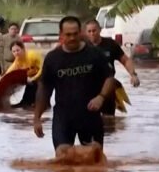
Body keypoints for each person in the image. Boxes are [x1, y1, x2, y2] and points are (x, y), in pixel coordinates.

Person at [33, 16, 117, 152]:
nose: (72, 38)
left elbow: (110, 78)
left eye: (75, 34)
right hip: (63, 117)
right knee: (62, 158)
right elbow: (44, 89)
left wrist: (101, 97)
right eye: (68, 34)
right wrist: (37, 117)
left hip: (90, 115)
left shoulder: (94, 54)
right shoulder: (52, 58)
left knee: (93, 161)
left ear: (81, 33)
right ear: (61, 35)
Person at [84, 19, 140, 116]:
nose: (92, 33)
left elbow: (125, 60)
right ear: (86, 32)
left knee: (109, 122)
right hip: (88, 90)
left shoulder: (110, 44)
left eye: (94, 30)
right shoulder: (83, 46)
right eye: (89, 31)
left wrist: (133, 74)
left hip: (108, 88)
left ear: (100, 30)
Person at [4, 40, 43, 108]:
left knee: (34, 83)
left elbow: (43, 69)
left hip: (45, 74)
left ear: (23, 49)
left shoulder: (32, 55)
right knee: (27, 81)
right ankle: (26, 102)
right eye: (14, 51)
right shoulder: (18, 61)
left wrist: (33, 79)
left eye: (18, 50)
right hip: (33, 77)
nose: (16, 53)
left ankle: (39, 102)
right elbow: (9, 72)